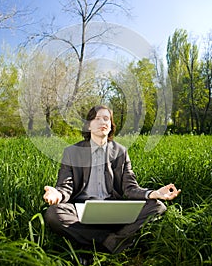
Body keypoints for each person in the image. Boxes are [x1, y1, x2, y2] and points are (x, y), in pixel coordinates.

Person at [43, 105, 181, 254]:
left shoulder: (121, 152)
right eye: (97, 118)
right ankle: (114, 241)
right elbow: (65, 187)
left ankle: (94, 243)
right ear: (89, 125)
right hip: (80, 209)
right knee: (53, 214)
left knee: (158, 206)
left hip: (113, 207)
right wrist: (57, 194)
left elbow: (130, 187)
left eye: (106, 119)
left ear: (110, 126)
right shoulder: (72, 152)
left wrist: (154, 193)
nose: (103, 122)